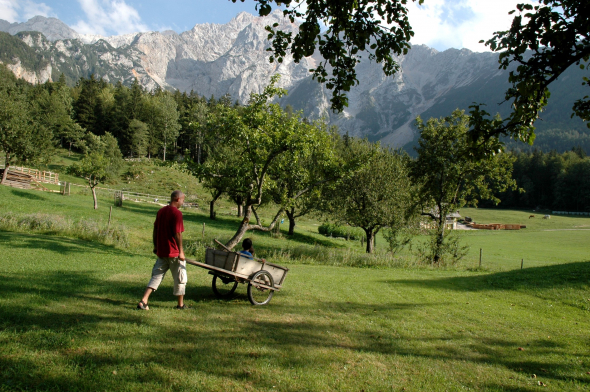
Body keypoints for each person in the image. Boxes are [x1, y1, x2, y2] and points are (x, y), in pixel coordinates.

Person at [137, 190, 188, 310]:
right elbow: (178, 234)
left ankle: (144, 301)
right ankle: (180, 305)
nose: (183, 202)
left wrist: (156, 246)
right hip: (174, 252)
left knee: (156, 276)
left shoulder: (161, 211)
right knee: (180, 278)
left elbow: (155, 230)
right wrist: (181, 251)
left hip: (162, 251)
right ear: (177, 199)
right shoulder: (177, 213)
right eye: (183, 200)